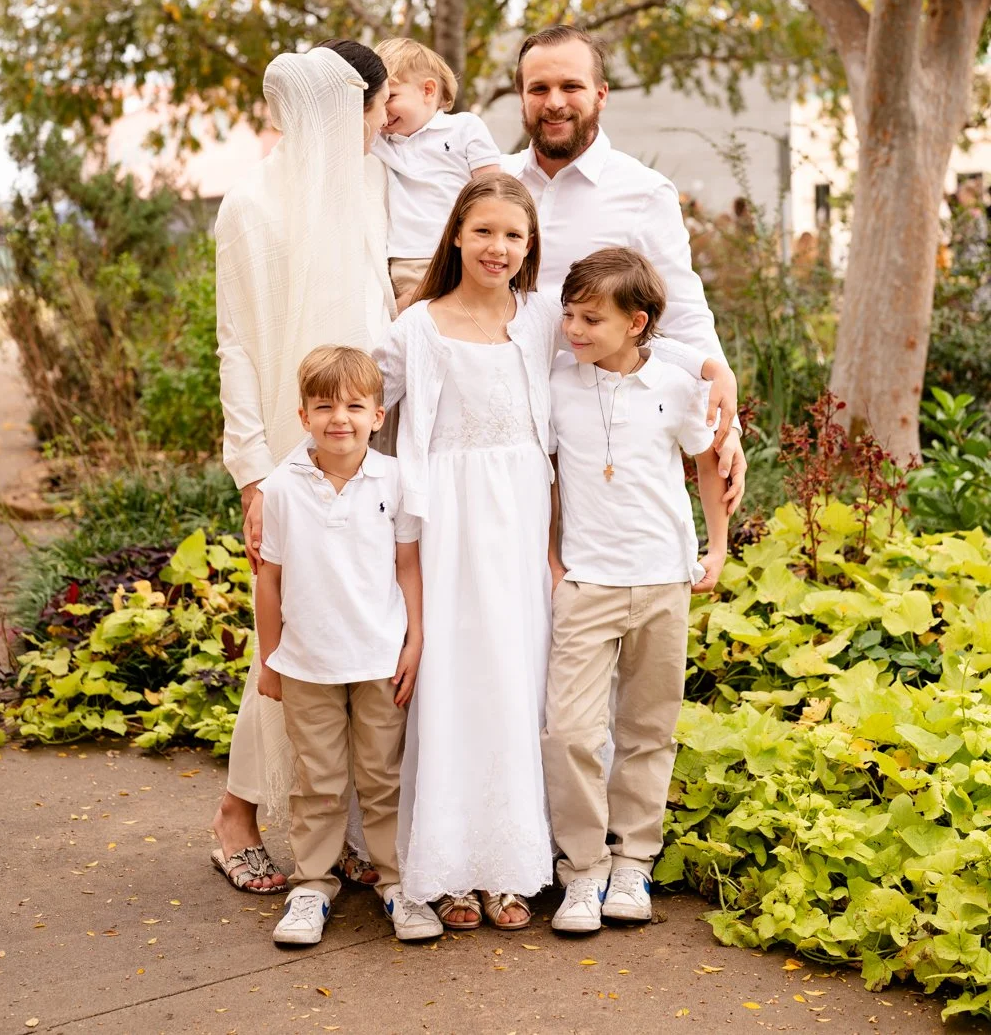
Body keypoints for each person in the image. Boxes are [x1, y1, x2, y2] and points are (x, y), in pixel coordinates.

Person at [211, 40, 395, 894]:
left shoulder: (368, 189)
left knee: (353, 637)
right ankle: (236, 815)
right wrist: (254, 473)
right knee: (284, 647)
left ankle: (343, 827)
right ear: (343, 108)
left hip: (366, 448)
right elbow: (239, 348)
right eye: (375, 109)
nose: (384, 123)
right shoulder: (252, 205)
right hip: (292, 454)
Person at [372, 173, 556, 931]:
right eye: (484, 231)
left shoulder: (543, 320)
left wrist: (709, 374)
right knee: (454, 684)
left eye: (514, 235)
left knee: (517, 684)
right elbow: (360, 405)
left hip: (521, 525)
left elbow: (598, 386)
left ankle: (509, 868)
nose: (498, 247)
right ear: (455, 235)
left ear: (529, 247)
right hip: (446, 525)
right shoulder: (417, 328)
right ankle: (448, 869)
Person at [543, 247, 729, 932]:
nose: (574, 328)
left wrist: (718, 545)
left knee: (649, 730)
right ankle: (583, 871)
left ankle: (633, 865)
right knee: (570, 732)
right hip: (587, 580)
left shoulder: (677, 387)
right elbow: (545, 474)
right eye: (569, 313)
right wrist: (551, 558)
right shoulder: (557, 381)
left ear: (637, 322)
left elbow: (709, 460)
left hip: (662, 577)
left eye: (592, 317)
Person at [501, 24, 746, 511]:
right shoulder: (493, 182)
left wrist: (726, 426)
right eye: (539, 88)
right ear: (521, 95)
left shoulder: (643, 191)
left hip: (596, 430)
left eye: (570, 86)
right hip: (498, 418)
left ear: (601, 94)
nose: (554, 102)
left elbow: (681, 311)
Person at [255, 345, 442, 945]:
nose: (340, 418)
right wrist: (269, 659)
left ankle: (396, 884)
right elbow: (270, 579)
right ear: (304, 415)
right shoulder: (282, 488)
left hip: (379, 659)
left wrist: (415, 640)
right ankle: (311, 886)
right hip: (307, 663)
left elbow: (408, 565)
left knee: (383, 777)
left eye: (355, 406)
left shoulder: (393, 479)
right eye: (324, 406)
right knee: (319, 780)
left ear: (378, 416)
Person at [373, 37, 500, 311]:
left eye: (390, 98)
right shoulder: (381, 141)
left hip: (457, 253)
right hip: (405, 259)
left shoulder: (464, 128)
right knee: (414, 326)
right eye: (375, 102)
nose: (382, 113)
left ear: (428, 90)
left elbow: (493, 190)